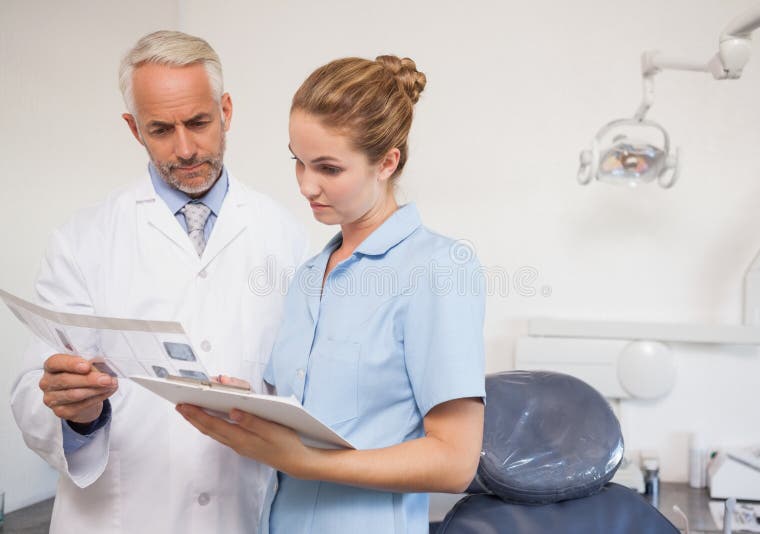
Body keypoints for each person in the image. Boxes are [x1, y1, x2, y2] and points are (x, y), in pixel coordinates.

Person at [10, 30, 306, 533]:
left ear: (226, 111)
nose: (186, 149)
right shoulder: (81, 241)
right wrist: (78, 414)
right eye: (161, 130)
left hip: (238, 516)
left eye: (199, 122)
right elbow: (32, 390)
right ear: (133, 129)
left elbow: (306, 392)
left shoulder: (287, 237)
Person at [178, 55, 486, 533]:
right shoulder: (307, 274)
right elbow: (308, 419)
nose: (306, 185)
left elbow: (454, 461)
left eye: (328, 168)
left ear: (387, 162)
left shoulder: (439, 269)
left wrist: (305, 462)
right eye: (297, 162)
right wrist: (248, 405)